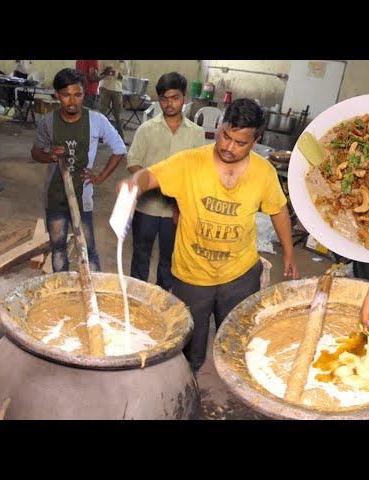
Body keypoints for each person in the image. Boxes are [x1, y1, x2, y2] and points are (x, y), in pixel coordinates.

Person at [117, 98, 299, 372]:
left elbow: (279, 211)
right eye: (226, 136)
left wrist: (289, 253)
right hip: (192, 276)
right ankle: (189, 387)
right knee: (191, 347)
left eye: (241, 143)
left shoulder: (264, 172)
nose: (229, 147)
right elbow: (149, 176)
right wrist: (133, 184)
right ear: (219, 125)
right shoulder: (190, 162)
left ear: (256, 140)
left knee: (236, 338)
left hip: (240, 274)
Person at [31, 68, 127, 273]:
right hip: (55, 196)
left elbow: (120, 148)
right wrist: (50, 156)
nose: (72, 101)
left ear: (85, 93)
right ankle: (63, 293)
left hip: (83, 197)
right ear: (57, 95)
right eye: (66, 95)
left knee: (88, 249)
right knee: (58, 249)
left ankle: (93, 294)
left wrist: (100, 177)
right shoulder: (48, 122)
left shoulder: (96, 120)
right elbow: (36, 152)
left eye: (78, 94)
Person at [127, 72, 205, 291]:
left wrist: (181, 198)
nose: (169, 104)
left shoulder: (196, 134)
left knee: (169, 259)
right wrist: (152, 182)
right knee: (141, 254)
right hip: (147, 208)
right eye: (164, 98)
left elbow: (198, 170)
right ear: (158, 98)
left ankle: (162, 300)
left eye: (175, 98)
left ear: (184, 97)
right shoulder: (146, 129)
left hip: (177, 210)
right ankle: (137, 297)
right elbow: (133, 161)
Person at [98, 60, 127, 139]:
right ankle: (98, 136)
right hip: (105, 87)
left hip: (117, 89)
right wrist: (106, 72)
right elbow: (99, 74)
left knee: (118, 115)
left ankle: (121, 137)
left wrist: (117, 74)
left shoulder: (123, 61)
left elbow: (124, 76)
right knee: (101, 113)